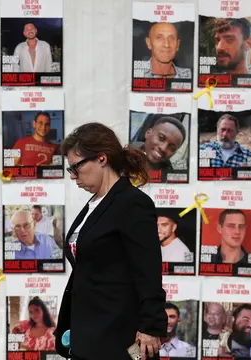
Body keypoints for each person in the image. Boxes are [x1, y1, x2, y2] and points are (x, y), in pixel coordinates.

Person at [54, 122, 167, 360]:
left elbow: (148, 271)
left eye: (76, 167)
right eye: (70, 170)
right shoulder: (95, 204)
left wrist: (151, 327)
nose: (73, 176)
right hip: (89, 333)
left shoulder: (132, 203)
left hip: (118, 335)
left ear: (102, 158)